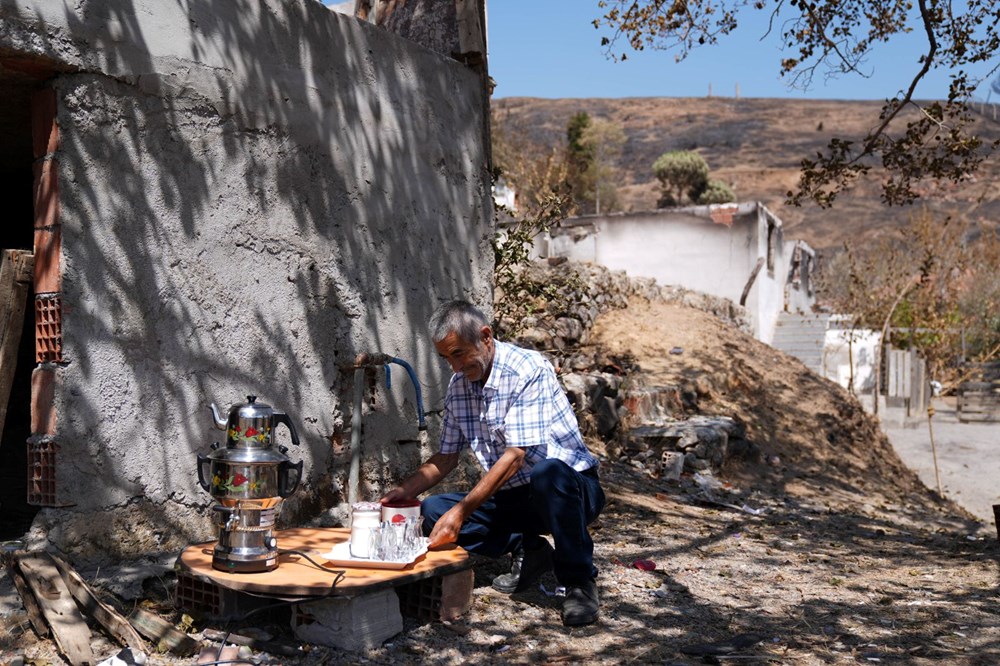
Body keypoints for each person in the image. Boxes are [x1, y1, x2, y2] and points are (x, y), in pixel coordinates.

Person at [381, 300, 605, 627]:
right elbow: (446, 457)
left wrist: (461, 513)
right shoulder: (459, 387)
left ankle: (579, 581)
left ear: (485, 336)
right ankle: (529, 549)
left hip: (570, 491)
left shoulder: (528, 370)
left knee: (548, 473)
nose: (454, 367)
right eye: (445, 358)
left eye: (458, 353)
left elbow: (516, 456)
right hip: (517, 498)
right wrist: (402, 492)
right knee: (431, 511)